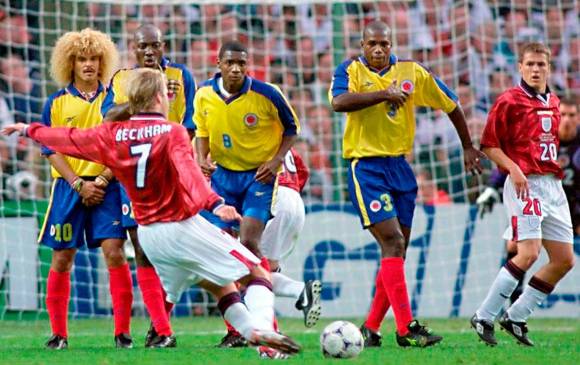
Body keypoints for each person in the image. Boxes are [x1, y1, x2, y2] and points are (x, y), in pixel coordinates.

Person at [2, 68, 301, 359]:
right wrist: (214, 203)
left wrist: (29, 130)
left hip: (149, 237)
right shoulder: (171, 132)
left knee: (219, 285)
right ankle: (266, 338)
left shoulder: (112, 134)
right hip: (181, 226)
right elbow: (190, 174)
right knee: (257, 273)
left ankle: (249, 332)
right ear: (160, 97)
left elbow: (70, 137)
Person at [329, 20, 484, 348]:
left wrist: (468, 146)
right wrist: (384, 94)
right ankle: (405, 328)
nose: (379, 49)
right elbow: (339, 102)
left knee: (396, 251)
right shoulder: (349, 70)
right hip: (366, 168)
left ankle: (371, 328)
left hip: (400, 167)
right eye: (372, 44)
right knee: (394, 243)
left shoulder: (412, 72)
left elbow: (451, 104)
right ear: (362, 45)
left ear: (391, 43)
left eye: (384, 44)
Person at [193, 40, 303, 348]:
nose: (236, 68)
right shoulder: (203, 95)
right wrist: (203, 159)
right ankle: (237, 330)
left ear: (248, 65)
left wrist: (276, 160)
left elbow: (292, 129)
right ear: (219, 64)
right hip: (223, 178)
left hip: (259, 176)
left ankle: (267, 325)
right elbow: (201, 130)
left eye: (242, 63)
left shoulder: (267, 94)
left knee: (250, 244)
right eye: (230, 63)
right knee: (219, 249)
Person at [471, 42, 575, 347]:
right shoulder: (509, 101)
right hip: (524, 183)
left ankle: (516, 316)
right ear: (520, 67)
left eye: (540, 65)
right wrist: (513, 169)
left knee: (564, 260)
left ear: (549, 67)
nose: (535, 69)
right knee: (528, 252)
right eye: (529, 64)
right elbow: (489, 144)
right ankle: (484, 315)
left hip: (553, 186)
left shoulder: (554, 102)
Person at [101, 23, 197, 347]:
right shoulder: (121, 79)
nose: (149, 51)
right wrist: (139, 101)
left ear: (163, 45)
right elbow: (109, 117)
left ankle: (166, 322)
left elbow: (190, 125)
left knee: (179, 250)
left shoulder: (181, 77)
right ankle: (162, 330)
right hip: (136, 173)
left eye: (154, 45)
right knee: (142, 248)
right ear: (133, 48)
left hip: (171, 172)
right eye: (142, 46)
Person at [37, 29, 131, 350]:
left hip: (109, 186)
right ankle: (59, 334)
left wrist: (102, 180)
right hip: (68, 187)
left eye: (94, 58)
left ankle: (122, 334)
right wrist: (79, 183)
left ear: (102, 62)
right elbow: (50, 149)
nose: (88, 65)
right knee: (62, 258)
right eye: (81, 59)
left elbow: (122, 146)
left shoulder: (115, 101)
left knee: (115, 252)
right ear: (70, 63)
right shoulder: (56, 102)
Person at [219, 148, 322, 348]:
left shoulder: (249, 140)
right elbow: (304, 171)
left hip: (272, 197)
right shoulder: (285, 146)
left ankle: (268, 330)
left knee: (249, 273)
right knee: (267, 269)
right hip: (294, 200)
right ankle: (300, 291)